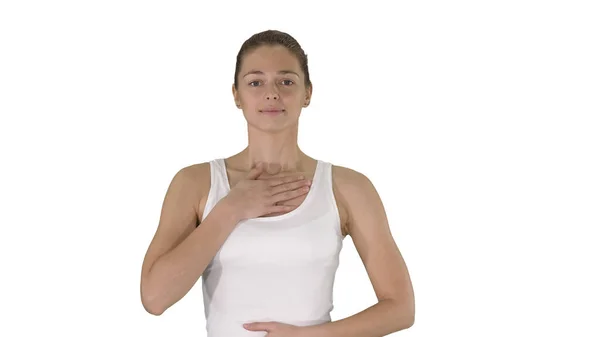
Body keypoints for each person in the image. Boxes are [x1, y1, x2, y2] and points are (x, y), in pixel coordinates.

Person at [140, 29, 415, 336]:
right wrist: (231, 209)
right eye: (255, 82)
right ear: (236, 95)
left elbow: (400, 307)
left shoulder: (349, 188)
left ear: (307, 93)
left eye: (286, 81)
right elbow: (155, 298)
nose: (271, 93)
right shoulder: (195, 183)